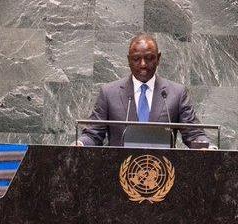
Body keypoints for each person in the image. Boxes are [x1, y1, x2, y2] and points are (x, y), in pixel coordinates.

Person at [77, 33, 214, 149]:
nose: (143, 64)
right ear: (129, 60)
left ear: (158, 58)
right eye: (136, 59)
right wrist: (81, 144)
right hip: (120, 173)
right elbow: (93, 134)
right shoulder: (108, 93)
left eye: (149, 58)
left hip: (163, 174)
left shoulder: (176, 93)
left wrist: (208, 148)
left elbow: (194, 134)